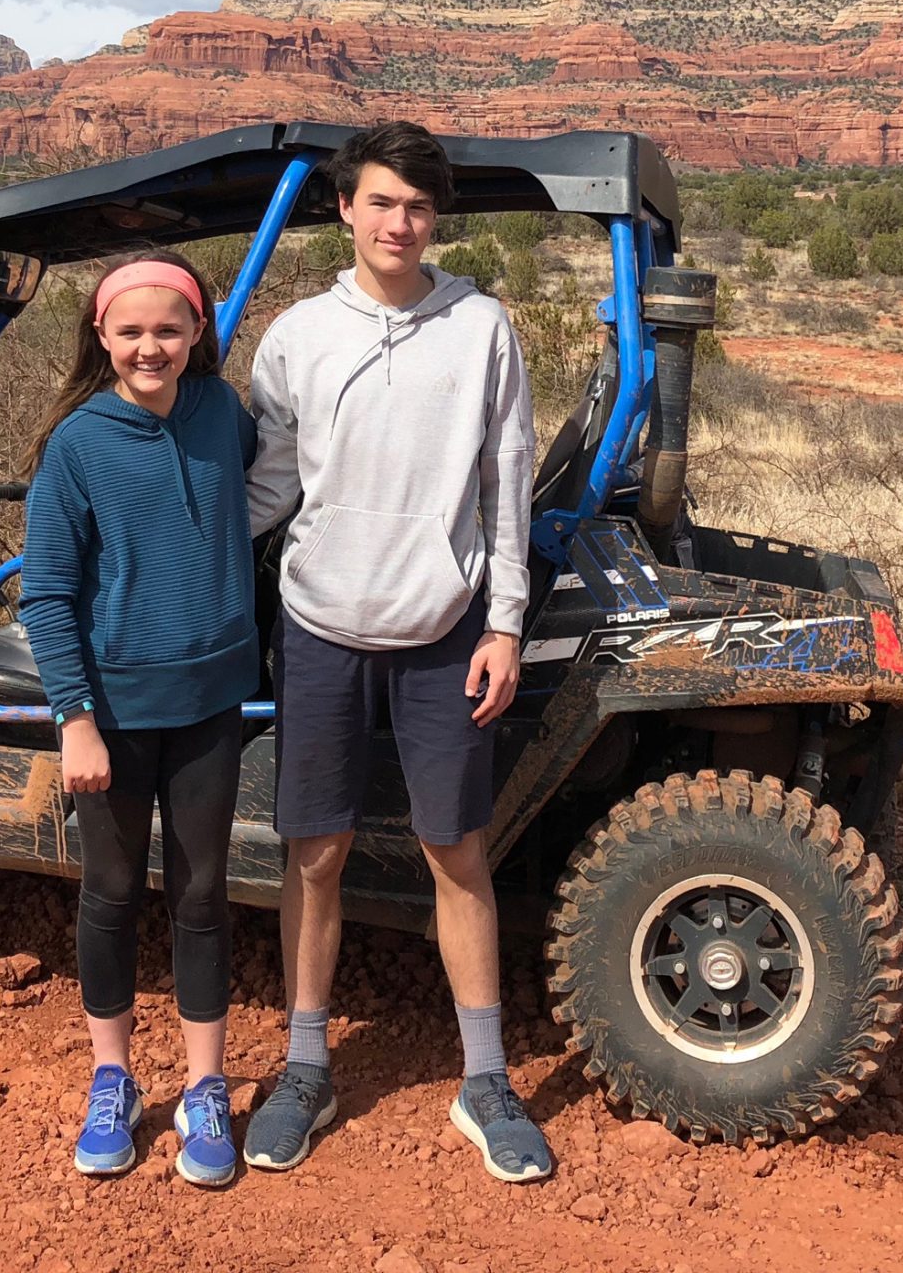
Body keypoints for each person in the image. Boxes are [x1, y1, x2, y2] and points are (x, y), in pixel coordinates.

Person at [240, 120, 553, 1183]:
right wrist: (165, 538)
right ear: (346, 208)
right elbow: (271, 484)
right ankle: (305, 1069)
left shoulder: (481, 326)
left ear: (435, 218)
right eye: (381, 201)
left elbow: (505, 482)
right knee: (315, 853)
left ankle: (485, 1080)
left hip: (444, 632)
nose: (399, 223)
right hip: (319, 626)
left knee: (455, 851)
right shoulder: (297, 335)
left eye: (418, 206)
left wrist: (504, 622)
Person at [18, 247, 258, 1188]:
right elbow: (47, 594)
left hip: (209, 705)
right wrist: (73, 718)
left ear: (199, 331)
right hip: (113, 714)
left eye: (168, 328)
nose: (149, 347)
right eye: (130, 331)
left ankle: (204, 1088)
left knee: (201, 897)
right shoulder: (77, 445)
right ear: (101, 335)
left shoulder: (223, 413)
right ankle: (112, 1078)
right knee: (112, 891)